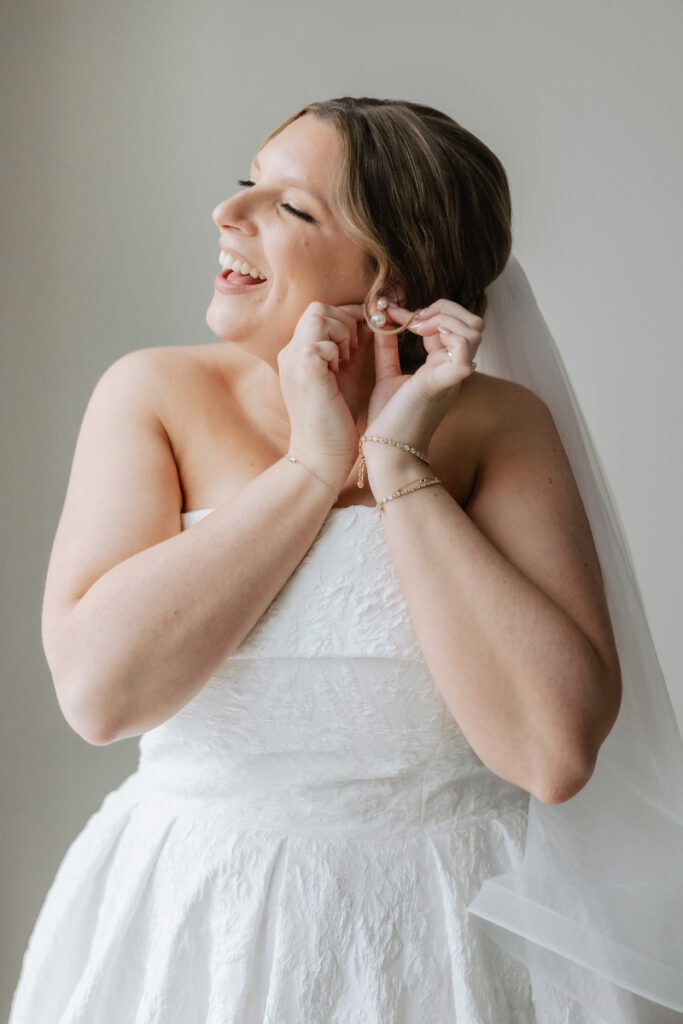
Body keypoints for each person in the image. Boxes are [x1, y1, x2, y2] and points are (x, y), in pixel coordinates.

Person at [9, 97, 682, 1023]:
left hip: (449, 934)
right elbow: (99, 697)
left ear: (387, 285)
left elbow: (550, 754)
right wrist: (312, 467)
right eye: (248, 183)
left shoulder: (501, 428)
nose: (226, 212)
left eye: (290, 207)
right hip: (201, 922)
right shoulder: (152, 394)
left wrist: (399, 468)